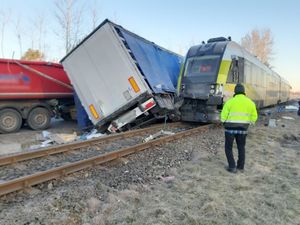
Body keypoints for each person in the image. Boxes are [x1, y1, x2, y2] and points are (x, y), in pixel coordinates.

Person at [220, 84, 258, 173]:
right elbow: (254, 117)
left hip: (230, 129)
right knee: (241, 147)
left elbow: (223, 116)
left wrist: (224, 122)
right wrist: (250, 123)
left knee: (228, 147)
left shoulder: (230, 102)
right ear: (244, 92)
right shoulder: (250, 103)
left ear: (235, 92)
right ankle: (240, 167)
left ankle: (232, 167)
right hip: (243, 129)